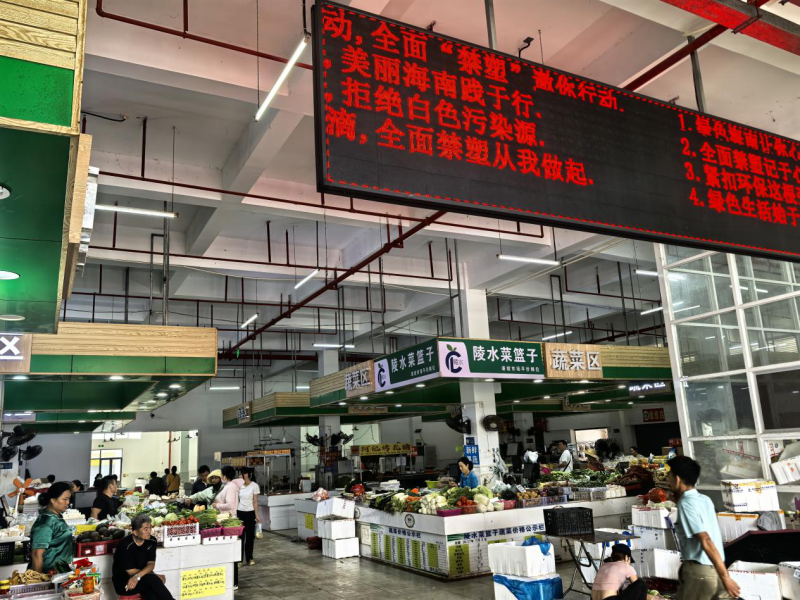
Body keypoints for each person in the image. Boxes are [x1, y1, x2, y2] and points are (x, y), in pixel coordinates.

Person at [668, 456, 740, 600]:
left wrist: (726, 578)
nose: (667, 479)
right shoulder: (705, 499)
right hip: (714, 568)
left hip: (698, 572)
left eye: (669, 475)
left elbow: (705, 539)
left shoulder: (686, 504)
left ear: (677, 479)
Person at [113, 514, 173, 600]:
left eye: (150, 528)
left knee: (151, 592)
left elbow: (151, 564)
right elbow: (131, 572)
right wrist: (155, 576)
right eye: (146, 529)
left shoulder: (152, 541)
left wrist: (139, 577)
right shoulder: (125, 545)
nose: (149, 531)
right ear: (135, 532)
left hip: (142, 578)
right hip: (125, 583)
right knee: (153, 580)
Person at [30, 482, 73, 573]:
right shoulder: (46, 523)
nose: (68, 502)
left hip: (59, 572)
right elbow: (36, 554)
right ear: (53, 500)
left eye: (69, 499)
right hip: (48, 574)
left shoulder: (56, 517)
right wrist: (39, 579)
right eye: (64, 499)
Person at [237, 467, 260, 566]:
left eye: (242, 473)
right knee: (240, 537)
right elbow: (236, 500)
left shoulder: (254, 486)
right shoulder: (238, 486)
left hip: (250, 513)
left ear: (248, 474)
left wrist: (257, 515)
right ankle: (239, 560)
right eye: (239, 474)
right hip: (240, 513)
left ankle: (249, 558)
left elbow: (255, 502)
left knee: (250, 537)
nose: (240, 476)